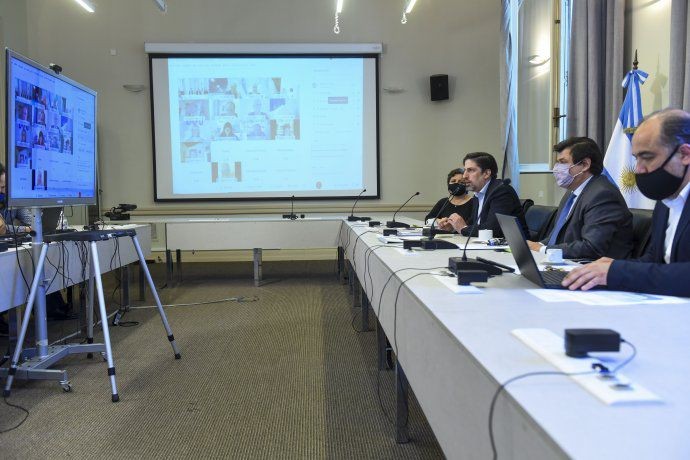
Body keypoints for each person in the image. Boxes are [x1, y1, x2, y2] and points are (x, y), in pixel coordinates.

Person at [563, 108, 690, 296]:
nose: (638, 169)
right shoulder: (665, 202)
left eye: (647, 157)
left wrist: (618, 271)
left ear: (685, 154)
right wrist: (608, 267)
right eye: (636, 158)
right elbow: (655, 260)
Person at [526, 137, 633, 259]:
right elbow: (557, 237)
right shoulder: (572, 193)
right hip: (568, 262)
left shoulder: (603, 195)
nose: (556, 168)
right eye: (557, 162)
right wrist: (537, 245)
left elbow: (591, 247)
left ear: (585, 164)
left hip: (593, 266)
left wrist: (542, 249)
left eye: (563, 162)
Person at [442, 152, 527, 237]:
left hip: (512, 244)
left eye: (470, 170)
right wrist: (454, 226)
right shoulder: (478, 194)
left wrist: (463, 228)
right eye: (465, 170)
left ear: (486, 173)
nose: (464, 176)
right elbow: (474, 223)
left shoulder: (501, 191)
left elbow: (492, 230)